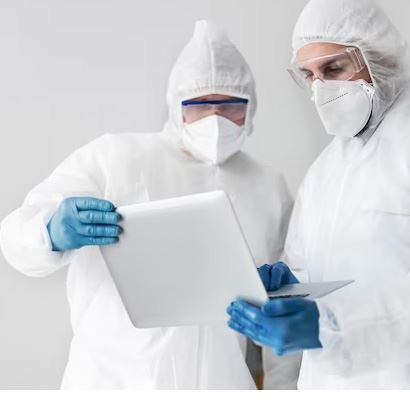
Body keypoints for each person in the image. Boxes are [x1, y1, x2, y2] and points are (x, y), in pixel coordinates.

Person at [227, 0, 410, 389]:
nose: (321, 88)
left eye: (334, 68)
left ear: (380, 58)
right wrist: (291, 283)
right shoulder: (324, 171)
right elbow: (324, 270)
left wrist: (331, 327)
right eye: (309, 75)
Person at [0, 20, 293, 389]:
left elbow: (287, 312)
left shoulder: (267, 186)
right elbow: (16, 235)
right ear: (176, 106)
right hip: (112, 383)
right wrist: (49, 231)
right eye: (199, 105)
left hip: (222, 382)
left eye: (231, 105)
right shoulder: (114, 158)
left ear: (250, 109)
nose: (215, 119)